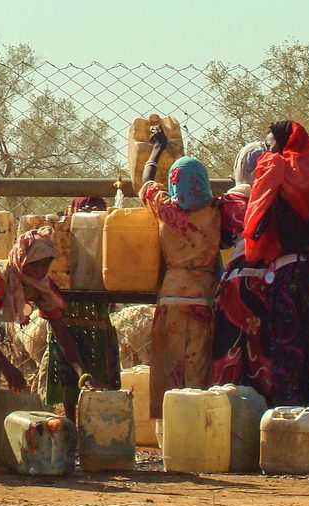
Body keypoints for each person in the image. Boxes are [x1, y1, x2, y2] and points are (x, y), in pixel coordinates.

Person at [243, 120, 309, 456]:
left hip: (288, 275)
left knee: (290, 355)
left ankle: (292, 446)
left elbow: (269, 225)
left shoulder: (274, 168)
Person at [0, 228, 93, 395]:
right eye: (34, 264)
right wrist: (8, 368)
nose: (39, 270)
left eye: (45, 264)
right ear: (22, 260)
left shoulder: (42, 285)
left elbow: (60, 331)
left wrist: (82, 373)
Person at [140, 142, 221, 424]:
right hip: (202, 296)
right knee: (197, 369)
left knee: (168, 368)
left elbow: (146, 183)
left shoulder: (165, 210)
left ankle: (169, 433)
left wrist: (155, 151)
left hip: (171, 294)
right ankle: (197, 429)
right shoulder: (215, 211)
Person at [41, 197, 120, 409]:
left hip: (96, 311)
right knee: (65, 367)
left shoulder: (108, 232)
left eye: (98, 208)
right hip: (66, 308)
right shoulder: (61, 235)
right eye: (87, 208)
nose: (93, 211)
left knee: (100, 359)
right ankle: (69, 416)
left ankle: (98, 414)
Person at [211, 142, 270, 394]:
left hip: (238, 281)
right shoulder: (274, 196)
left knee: (231, 344)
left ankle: (229, 404)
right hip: (271, 278)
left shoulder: (231, 201)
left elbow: (222, 239)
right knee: (263, 347)